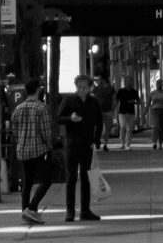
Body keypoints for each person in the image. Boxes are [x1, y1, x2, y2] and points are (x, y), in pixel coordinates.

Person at [54, 74, 104, 220]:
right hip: (71, 143)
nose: (81, 90)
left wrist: (96, 140)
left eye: (84, 87)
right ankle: (70, 211)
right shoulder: (69, 100)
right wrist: (70, 118)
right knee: (71, 178)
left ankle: (85, 210)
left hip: (87, 144)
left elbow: (99, 123)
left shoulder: (94, 102)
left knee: (86, 177)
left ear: (89, 88)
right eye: (79, 87)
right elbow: (58, 118)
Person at [7, 80, 56, 223]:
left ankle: (25, 212)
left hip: (23, 149)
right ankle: (32, 208)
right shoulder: (42, 108)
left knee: (27, 182)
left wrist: (21, 141)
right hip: (39, 149)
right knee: (46, 181)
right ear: (38, 90)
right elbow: (46, 131)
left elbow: (14, 131)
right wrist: (49, 145)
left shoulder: (18, 108)